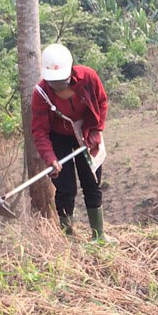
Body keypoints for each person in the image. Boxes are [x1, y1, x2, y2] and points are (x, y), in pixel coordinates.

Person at [30, 43, 108, 239]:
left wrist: (96, 131)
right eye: (54, 83)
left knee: (92, 181)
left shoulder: (88, 77)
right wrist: (50, 158)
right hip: (59, 138)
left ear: (71, 71)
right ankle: (68, 237)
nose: (59, 87)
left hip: (86, 133)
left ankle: (98, 235)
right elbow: (39, 131)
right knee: (65, 188)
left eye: (62, 82)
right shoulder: (40, 94)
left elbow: (102, 102)